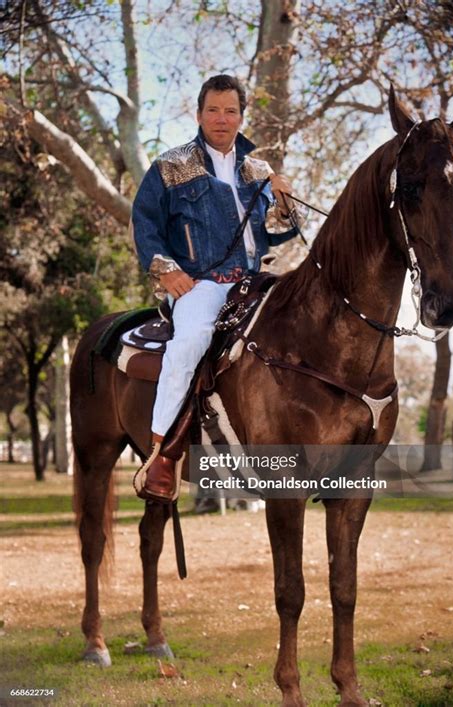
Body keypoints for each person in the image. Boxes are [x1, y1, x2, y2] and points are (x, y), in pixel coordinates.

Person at [131, 74, 299, 502]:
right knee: (189, 344)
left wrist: (284, 202)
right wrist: (166, 270)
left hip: (255, 281)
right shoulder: (171, 165)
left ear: (242, 116)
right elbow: (145, 224)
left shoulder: (258, 169)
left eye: (230, 110)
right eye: (213, 110)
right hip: (201, 284)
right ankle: (162, 455)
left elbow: (278, 233)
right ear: (199, 113)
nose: (221, 119)